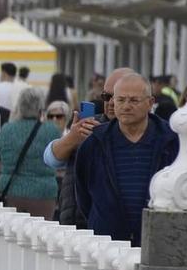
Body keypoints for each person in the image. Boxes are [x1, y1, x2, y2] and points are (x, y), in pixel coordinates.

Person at [47, 72, 178, 245]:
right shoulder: (94, 142)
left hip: (156, 242)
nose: (126, 106)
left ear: (150, 103)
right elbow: (84, 195)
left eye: (134, 100)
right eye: (120, 100)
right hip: (107, 244)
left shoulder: (170, 141)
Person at [0, 88, 61, 219]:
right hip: (44, 194)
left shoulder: (8, 129)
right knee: (41, 235)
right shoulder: (52, 130)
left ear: (19, 107)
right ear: (40, 109)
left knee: (11, 236)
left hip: (12, 192)